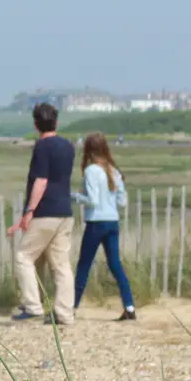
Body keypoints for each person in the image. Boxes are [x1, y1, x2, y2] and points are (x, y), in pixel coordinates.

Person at [7, 102, 76, 325]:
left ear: (36, 124)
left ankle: (33, 305)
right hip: (65, 211)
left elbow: (41, 180)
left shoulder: (42, 147)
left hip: (46, 211)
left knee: (23, 257)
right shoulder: (68, 146)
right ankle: (65, 312)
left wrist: (29, 211)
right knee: (61, 264)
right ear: (56, 121)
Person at [71, 133, 136, 320]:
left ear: (88, 150)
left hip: (96, 222)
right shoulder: (113, 171)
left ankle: (72, 307)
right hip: (112, 221)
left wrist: (75, 196)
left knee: (84, 265)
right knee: (115, 265)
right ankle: (129, 306)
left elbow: (91, 200)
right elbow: (122, 201)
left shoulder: (92, 170)